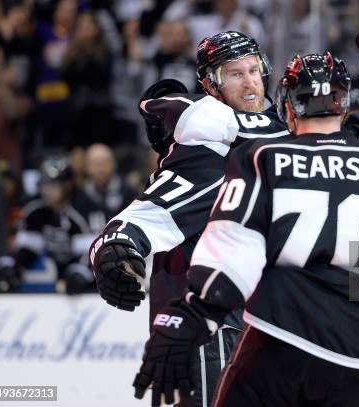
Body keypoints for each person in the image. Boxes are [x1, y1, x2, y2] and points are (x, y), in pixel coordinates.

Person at [132, 35, 359, 407]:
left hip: (280, 341)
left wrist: (190, 319)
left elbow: (232, 256)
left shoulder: (264, 157)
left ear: (287, 108)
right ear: (344, 103)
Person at [89, 31, 287, 407]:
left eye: (254, 70)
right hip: (216, 334)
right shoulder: (214, 146)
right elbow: (147, 215)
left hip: (279, 334)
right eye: (234, 74)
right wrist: (115, 247)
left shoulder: (293, 144)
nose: (249, 83)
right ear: (210, 84)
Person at [0, 157, 94, 294]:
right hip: (49, 275)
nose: (47, 192)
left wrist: (80, 273)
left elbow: (92, 250)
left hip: (83, 276)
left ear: (67, 185)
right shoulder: (34, 209)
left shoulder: (83, 208)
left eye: (53, 186)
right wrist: (13, 266)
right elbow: (28, 246)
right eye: (44, 186)